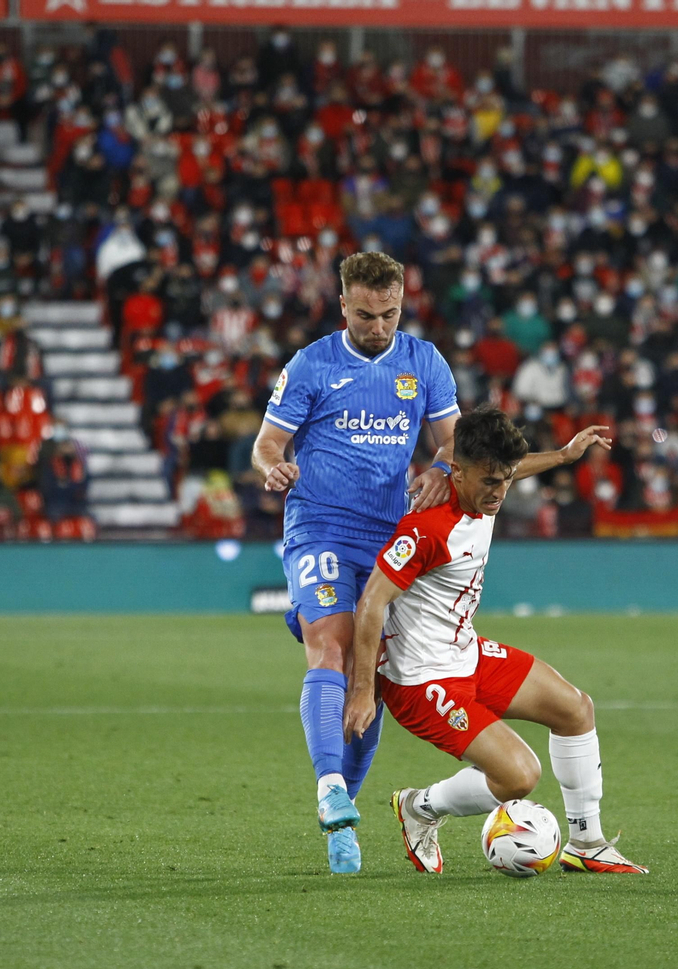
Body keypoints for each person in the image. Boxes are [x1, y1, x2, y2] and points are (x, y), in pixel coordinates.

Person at [250, 252, 606, 875]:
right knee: (332, 646)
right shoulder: (311, 365)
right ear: (343, 306)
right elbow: (266, 444)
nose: (378, 327)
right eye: (365, 315)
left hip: (388, 529)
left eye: (389, 314)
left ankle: (348, 814)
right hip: (321, 528)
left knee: (369, 674)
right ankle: (330, 788)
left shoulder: (424, 362)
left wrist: (444, 469)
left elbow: (459, 449)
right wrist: (273, 467)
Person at [341, 405, 645, 875]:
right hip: (420, 680)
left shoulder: (484, 485)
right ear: (457, 471)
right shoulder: (426, 527)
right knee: (519, 776)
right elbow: (370, 603)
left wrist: (564, 456)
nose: (500, 492)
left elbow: (510, 468)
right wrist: (363, 690)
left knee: (575, 709)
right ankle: (420, 807)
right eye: (490, 482)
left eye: (505, 480)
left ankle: (587, 843)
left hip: (466, 653)